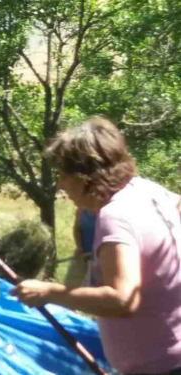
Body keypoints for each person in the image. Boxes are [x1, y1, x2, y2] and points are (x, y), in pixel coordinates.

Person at [11, 116, 181, 375]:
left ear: (86, 176)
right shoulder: (147, 191)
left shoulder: (116, 217)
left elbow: (122, 300)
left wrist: (48, 292)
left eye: (64, 174)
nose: (60, 184)